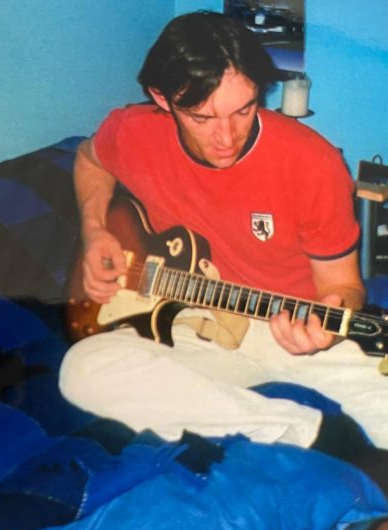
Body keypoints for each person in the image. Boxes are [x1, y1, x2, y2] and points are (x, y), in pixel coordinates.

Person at [59, 11, 388, 463]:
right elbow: (89, 158)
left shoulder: (312, 163)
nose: (226, 137)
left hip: (291, 328)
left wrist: (327, 324)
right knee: (82, 371)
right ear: (161, 97)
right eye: (201, 117)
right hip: (189, 327)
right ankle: (300, 432)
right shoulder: (133, 130)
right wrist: (95, 231)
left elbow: (344, 286)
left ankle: (236, 421)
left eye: (244, 109)